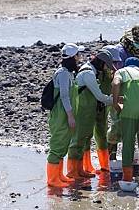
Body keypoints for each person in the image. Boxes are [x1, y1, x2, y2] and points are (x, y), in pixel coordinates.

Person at [67, 49, 115, 180]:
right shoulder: (88, 73)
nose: (106, 68)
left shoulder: (91, 71)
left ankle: (80, 169)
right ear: (101, 62)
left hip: (88, 111)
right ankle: (72, 171)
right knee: (78, 140)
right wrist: (114, 99)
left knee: (85, 139)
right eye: (106, 65)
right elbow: (99, 96)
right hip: (82, 111)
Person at [111, 57, 139, 184]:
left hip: (130, 110)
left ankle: (127, 178)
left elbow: (115, 83)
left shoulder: (122, 71)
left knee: (128, 143)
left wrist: (115, 103)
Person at [46, 43, 84, 188]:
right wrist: (70, 116)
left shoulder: (68, 73)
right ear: (73, 57)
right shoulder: (62, 73)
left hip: (66, 114)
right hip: (60, 115)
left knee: (63, 145)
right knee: (57, 146)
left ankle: (59, 175)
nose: (79, 58)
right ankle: (52, 179)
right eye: (78, 55)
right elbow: (64, 96)